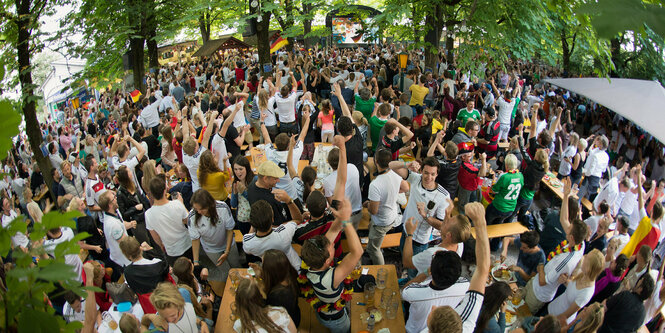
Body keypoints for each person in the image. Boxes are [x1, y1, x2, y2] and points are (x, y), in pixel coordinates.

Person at [300, 142, 362, 333]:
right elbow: (358, 252)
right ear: (328, 261)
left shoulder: (311, 265)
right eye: (331, 248)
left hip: (321, 307)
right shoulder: (332, 278)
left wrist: (343, 219)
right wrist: (348, 222)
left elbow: (333, 232)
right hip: (335, 318)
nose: (331, 243)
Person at [420, 202, 491, 333]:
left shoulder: (466, 323)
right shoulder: (465, 324)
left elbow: (482, 270)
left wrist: (480, 222)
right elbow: (483, 270)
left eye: (433, 313)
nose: (434, 307)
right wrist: (480, 222)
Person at [524, 178, 588, 315]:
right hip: (536, 282)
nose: (566, 227)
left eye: (569, 230)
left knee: (521, 313)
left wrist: (541, 265)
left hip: (539, 293)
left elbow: (543, 281)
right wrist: (565, 196)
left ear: (571, 237)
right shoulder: (580, 244)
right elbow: (563, 219)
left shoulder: (564, 260)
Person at [390, 157, 451, 277]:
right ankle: (406, 275)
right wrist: (407, 164)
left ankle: (410, 283)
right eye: (426, 173)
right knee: (404, 258)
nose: (429, 177)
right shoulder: (415, 178)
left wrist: (425, 215)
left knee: (414, 270)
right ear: (421, 171)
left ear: (437, 174)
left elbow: (442, 225)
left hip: (419, 240)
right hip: (405, 230)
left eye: (433, 174)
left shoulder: (443, 196)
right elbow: (391, 165)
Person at [402, 248, 470, 333]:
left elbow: (404, 290)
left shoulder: (414, 292)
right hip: (441, 328)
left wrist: (426, 272)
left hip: (413, 330)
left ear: (432, 272)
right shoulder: (465, 285)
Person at [188, 189, 240, 293]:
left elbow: (229, 230)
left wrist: (227, 251)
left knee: (237, 266)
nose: (198, 212)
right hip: (211, 248)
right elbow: (195, 240)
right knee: (225, 271)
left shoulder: (223, 207)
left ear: (210, 205)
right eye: (196, 209)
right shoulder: (192, 217)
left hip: (228, 243)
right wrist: (196, 262)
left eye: (201, 209)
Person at [367, 148, 408, 265]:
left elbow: (373, 211)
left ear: (376, 161)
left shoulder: (375, 185)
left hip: (382, 221)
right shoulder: (394, 175)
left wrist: (367, 204)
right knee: (372, 230)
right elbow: (406, 188)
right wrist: (393, 192)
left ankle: (381, 268)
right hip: (391, 215)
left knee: (373, 249)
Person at [547, 249, 605, 326]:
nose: (584, 256)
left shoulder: (586, 293)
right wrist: (565, 280)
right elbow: (572, 287)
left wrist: (548, 321)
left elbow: (565, 316)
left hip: (556, 320)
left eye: (587, 258)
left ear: (589, 268)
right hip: (553, 307)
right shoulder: (583, 274)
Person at [243, 199, 302, 270]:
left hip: (272, 273)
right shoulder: (284, 233)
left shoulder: (248, 243)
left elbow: (248, 246)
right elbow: (298, 219)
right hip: (293, 269)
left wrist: (254, 224)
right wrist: (289, 201)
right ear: (272, 219)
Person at [145, 177, 192, 266]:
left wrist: (162, 246)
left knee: (181, 272)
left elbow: (156, 237)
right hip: (186, 243)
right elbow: (188, 220)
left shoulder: (148, 214)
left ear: (150, 193)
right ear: (165, 190)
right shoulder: (177, 204)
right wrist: (181, 204)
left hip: (171, 250)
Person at [251, 249, 301, 327]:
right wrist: (262, 275)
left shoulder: (278, 295)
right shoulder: (290, 275)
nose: (261, 266)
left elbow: (264, 308)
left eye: (263, 265)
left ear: (271, 271)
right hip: (294, 314)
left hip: (286, 324)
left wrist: (256, 288)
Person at [486, 153, 523, 250]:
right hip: (510, 209)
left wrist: (495, 179)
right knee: (498, 225)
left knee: (486, 223)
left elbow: (494, 190)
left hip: (498, 206)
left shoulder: (504, 177)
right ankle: (494, 246)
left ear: (506, 165)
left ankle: (484, 243)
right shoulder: (520, 176)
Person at [322, 147, 362, 229]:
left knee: (343, 234)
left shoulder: (328, 181)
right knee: (354, 231)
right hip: (358, 211)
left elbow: (332, 205)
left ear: (329, 163)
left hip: (344, 216)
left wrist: (324, 194)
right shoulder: (353, 167)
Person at [578, 135, 610, 201]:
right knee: (585, 199)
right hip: (596, 179)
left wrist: (584, 173)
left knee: (580, 197)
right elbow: (603, 170)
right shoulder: (606, 156)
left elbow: (590, 171)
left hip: (590, 178)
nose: (597, 141)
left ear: (601, 144)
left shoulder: (596, 155)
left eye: (599, 141)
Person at [230, 155, 255, 235]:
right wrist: (234, 193)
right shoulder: (235, 183)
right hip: (241, 220)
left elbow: (255, 200)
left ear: (247, 168)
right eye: (235, 169)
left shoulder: (254, 180)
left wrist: (243, 192)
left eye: (241, 169)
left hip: (254, 220)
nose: (238, 172)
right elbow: (233, 205)